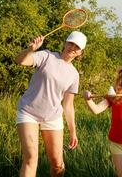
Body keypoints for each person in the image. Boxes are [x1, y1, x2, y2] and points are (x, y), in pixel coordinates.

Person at [15, 31, 87, 177]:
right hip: (29, 112)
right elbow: (20, 60)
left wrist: (73, 132)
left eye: (77, 47)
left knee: (57, 165)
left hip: (53, 117)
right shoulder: (47, 56)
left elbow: (68, 105)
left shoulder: (74, 74)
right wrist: (30, 49)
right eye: (71, 43)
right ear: (65, 43)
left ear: (80, 53)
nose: (72, 48)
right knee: (31, 157)